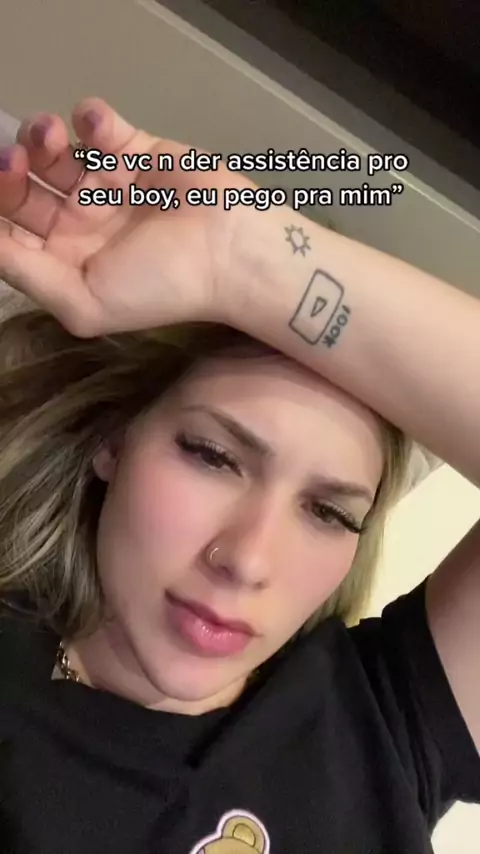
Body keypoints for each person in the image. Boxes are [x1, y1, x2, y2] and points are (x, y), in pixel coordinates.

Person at [0, 97, 478, 854]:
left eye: (328, 512)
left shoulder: (382, 723)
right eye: (213, 456)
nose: (249, 559)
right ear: (115, 442)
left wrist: (249, 264)